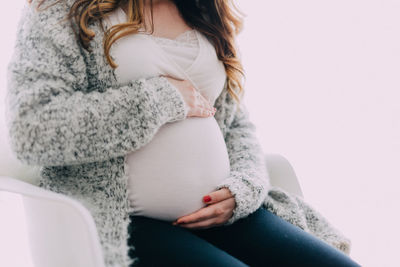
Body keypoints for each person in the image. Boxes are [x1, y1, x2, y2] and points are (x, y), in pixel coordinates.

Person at [6, 0, 362, 266]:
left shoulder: (202, 8)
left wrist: (242, 188)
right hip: (125, 222)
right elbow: (32, 129)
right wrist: (160, 98)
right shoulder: (63, 10)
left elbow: (236, 123)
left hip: (225, 218)